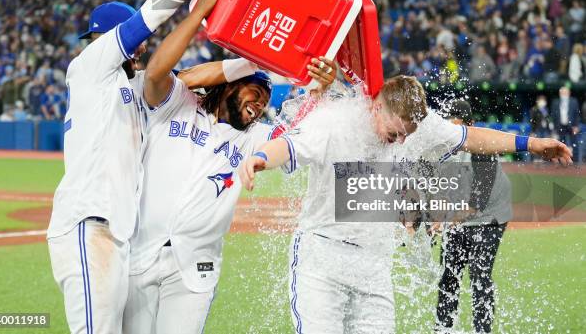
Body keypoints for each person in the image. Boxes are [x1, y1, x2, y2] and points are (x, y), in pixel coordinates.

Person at [239, 75, 572, 334]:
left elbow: (471, 138)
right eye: (395, 132)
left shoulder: (416, 127)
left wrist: (533, 143)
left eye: (407, 135)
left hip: (374, 265)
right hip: (322, 258)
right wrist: (260, 159)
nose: (401, 142)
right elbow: (289, 146)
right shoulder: (334, 122)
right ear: (376, 107)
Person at [47, 0, 242, 334]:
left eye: (99, 36)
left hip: (119, 239)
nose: (97, 43)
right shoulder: (89, 67)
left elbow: (180, 75)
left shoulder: (132, 88)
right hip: (87, 223)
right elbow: (150, 16)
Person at [123, 0, 338, 334]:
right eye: (255, 92)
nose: (261, 103)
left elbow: (297, 136)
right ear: (227, 87)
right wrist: (252, 61)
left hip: (194, 269)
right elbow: (164, 74)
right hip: (139, 255)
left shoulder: (255, 136)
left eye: (267, 99)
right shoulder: (178, 105)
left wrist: (320, 88)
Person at [435, 100, 512, 334]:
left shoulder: (482, 150)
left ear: (471, 126)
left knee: (480, 275)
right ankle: (442, 330)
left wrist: (445, 221)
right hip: (460, 211)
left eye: (458, 129)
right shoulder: (441, 145)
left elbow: (476, 204)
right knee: (449, 276)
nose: (453, 137)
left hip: (490, 216)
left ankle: (482, 330)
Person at [551, 86, 581, 161]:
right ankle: (562, 161)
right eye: (562, 92)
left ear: (569, 93)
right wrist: (554, 128)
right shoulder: (556, 102)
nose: (563, 94)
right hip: (560, 126)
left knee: (574, 144)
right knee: (560, 144)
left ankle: (575, 162)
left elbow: (576, 114)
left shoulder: (574, 101)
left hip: (571, 126)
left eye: (565, 92)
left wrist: (576, 126)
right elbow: (553, 115)